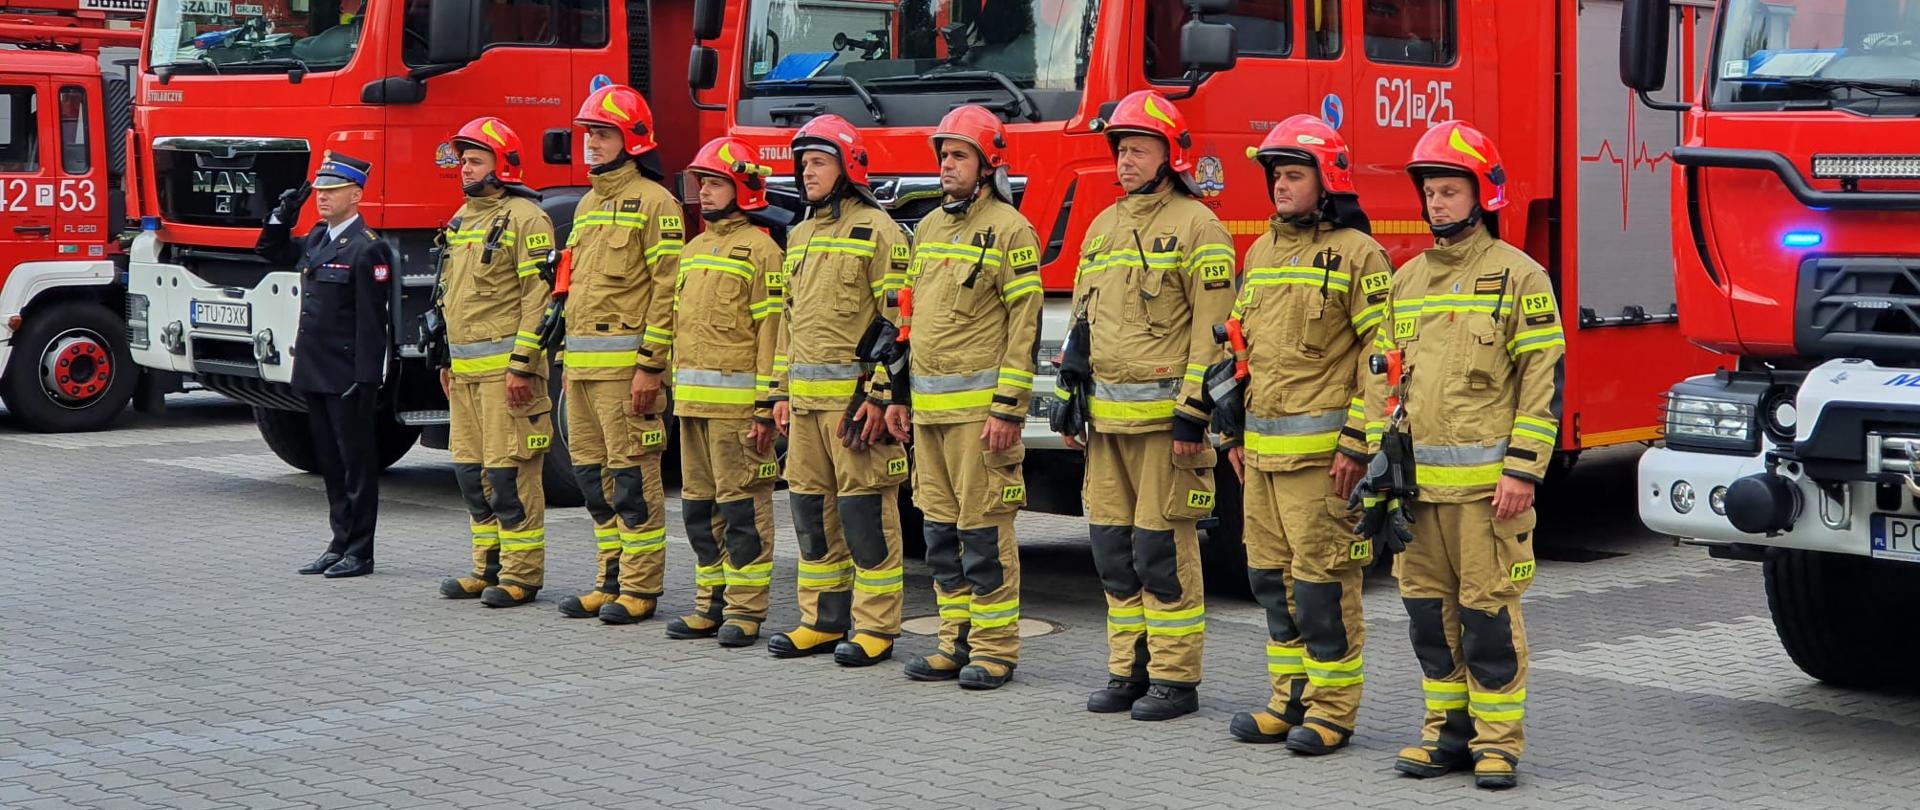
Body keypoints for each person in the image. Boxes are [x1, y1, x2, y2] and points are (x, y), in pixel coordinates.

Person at [1361, 120, 1564, 790]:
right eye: (1432, 191)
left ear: (1484, 196)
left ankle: (1497, 744)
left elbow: (1543, 380)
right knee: (1427, 617)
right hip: (1417, 495)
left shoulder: (1519, 276)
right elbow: (1383, 377)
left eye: (1451, 190)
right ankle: (1443, 735)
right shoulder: (1407, 280)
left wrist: (1523, 471)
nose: (1439, 203)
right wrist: (1375, 463)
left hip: (1486, 495)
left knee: (1487, 619)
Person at [1061, 90, 1236, 720]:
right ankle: (1126, 670)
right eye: (1120, 149)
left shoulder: (1200, 226)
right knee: (1112, 550)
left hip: (1167, 429)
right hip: (1107, 426)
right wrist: (1071, 393)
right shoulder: (1104, 227)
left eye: (1137, 148)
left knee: (1163, 553)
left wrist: (1193, 413)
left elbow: (1213, 331)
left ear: (1171, 154)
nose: (1125, 160)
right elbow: (1083, 322)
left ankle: (1174, 679)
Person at [1221, 114, 1393, 754]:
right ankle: (1285, 700)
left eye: (1294, 174)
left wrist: (1357, 441)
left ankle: (1331, 712)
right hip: (1261, 459)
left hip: (1323, 463)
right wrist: (1229, 429)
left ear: (1329, 181)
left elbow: (1382, 357)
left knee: (1322, 587)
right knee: (1271, 582)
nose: (1281, 186)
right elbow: (1240, 350)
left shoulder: (1359, 255)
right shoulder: (1260, 252)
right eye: (1276, 175)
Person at [886, 105, 1043, 691]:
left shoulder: (1010, 229)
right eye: (943, 156)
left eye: (958, 156)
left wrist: (1008, 409)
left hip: (980, 418)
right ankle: (953, 641)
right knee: (941, 535)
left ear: (986, 165)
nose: (947, 165)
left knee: (983, 535)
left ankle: (996, 650)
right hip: (928, 415)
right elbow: (908, 320)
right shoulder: (926, 228)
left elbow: (1024, 327)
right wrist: (898, 395)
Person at [765, 114, 912, 667]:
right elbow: (788, 322)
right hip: (803, 409)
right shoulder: (798, 235)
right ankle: (822, 621)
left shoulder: (880, 232)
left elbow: (897, 323)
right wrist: (779, 392)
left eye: (819, 163)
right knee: (810, 514)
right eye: (803, 164)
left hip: (853, 410)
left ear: (848, 167)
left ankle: (876, 626)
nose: (807, 173)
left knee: (866, 517)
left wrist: (879, 395)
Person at [550, 83, 684, 619]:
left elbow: (667, 291)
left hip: (626, 372)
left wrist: (650, 367)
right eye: (588, 134)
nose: (591, 144)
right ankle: (609, 580)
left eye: (602, 134)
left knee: (632, 480)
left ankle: (641, 589)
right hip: (581, 370)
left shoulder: (657, 204)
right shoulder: (586, 204)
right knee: (593, 480)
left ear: (631, 139)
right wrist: (561, 361)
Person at [662, 136, 793, 647]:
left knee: (743, 511)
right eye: (703, 184)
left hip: (738, 412)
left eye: (716, 183)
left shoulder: (763, 252)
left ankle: (745, 611)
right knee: (698, 509)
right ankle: (708, 604)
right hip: (693, 407)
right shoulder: (693, 251)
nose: (706, 193)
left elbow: (771, 336)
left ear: (744, 186)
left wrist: (765, 405)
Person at [430, 117, 558, 608]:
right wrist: (446, 358)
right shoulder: (463, 220)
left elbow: (537, 297)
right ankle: (485, 568)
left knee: (510, 476)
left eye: (475, 160)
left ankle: (521, 576)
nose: (464, 168)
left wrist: (523, 364)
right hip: (465, 375)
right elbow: (449, 297)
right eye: (463, 160)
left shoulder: (526, 218)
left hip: (508, 376)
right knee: (471, 474)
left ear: (501, 165)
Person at [260, 152, 390, 580]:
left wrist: (367, 379)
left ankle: (360, 551)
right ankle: (338, 543)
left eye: (332, 191)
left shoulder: (368, 247)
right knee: (330, 464)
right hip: (316, 370)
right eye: (319, 192)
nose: (323, 198)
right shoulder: (318, 238)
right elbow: (272, 252)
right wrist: (282, 214)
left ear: (355, 194)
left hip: (347, 373)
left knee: (356, 465)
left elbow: (375, 323)